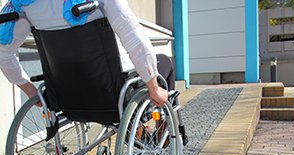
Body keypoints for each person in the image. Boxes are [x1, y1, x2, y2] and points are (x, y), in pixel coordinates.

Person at [0, 0, 175, 107]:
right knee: (164, 62)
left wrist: (31, 91)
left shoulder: (25, 4)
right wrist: (153, 88)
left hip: (64, 96)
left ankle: (137, 131)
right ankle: (163, 126)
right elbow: (134, 39)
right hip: (111, 91)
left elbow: (2, 52)